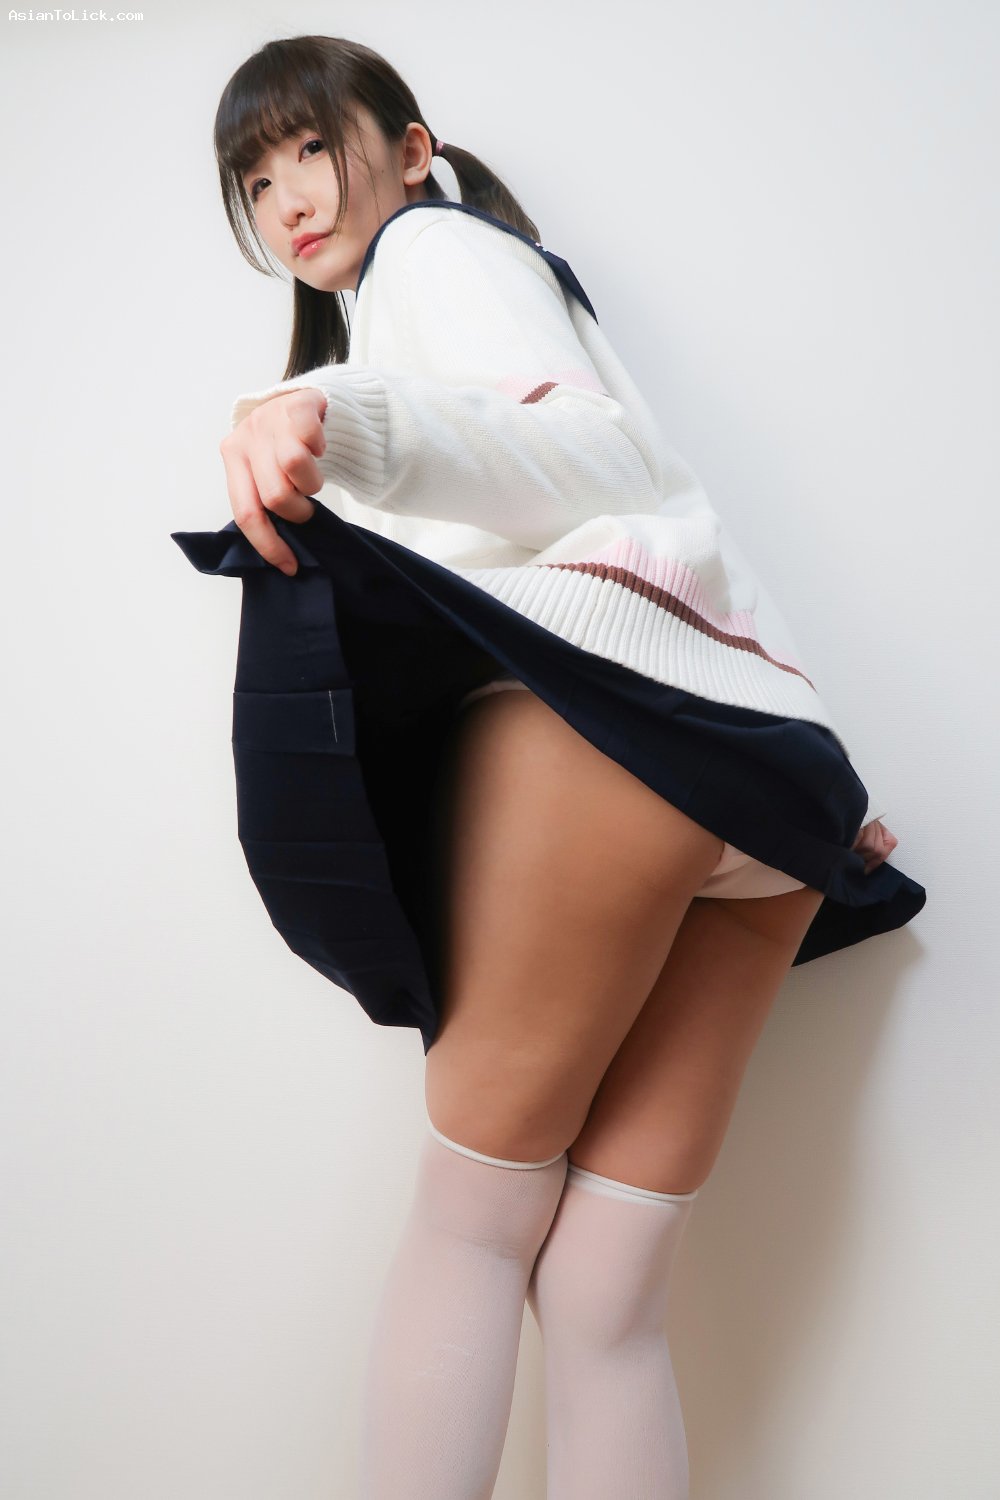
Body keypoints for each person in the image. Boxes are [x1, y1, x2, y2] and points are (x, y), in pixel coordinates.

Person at [170, 34, 927, 1499]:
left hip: (614, 751)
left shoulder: (435, 257)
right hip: (751, 799)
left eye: (312, 148)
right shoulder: (485, 283)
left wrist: (340, 412)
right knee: (603, 1293)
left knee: (473, 1229)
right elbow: (671, 507)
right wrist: (818, 772)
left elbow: (582, 455)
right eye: (255, 182)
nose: (289, 199)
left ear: (412, 149)